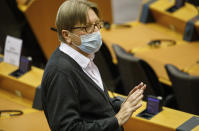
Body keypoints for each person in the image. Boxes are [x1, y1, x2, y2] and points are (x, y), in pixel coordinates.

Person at [41, 0, 146, 130]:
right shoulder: (61, 73)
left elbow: (93, 105)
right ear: (67, 35)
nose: (96, 31)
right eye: (87, 27)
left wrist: (124, 104)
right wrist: (117, 120)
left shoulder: (84, 57)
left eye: (97, 24)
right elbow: (68, 128)